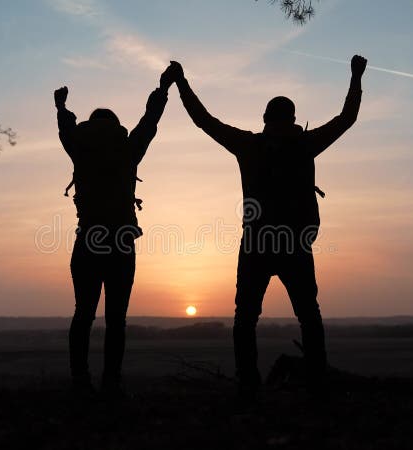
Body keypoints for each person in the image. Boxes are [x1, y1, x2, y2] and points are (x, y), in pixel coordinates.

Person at [167, 55, 367, 400]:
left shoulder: (249, 145)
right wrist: (355, 76)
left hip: (256, 244)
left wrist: (181, 82)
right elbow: (347, 119)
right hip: (295, 245)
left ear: (264, 119)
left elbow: (204, 121)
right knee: (308, 315)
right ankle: (316, 381)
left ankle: (248, 384)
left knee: (245, 319)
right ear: (292, 119)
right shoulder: (306, 144)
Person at [54, 65, 178, 398]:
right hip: (122, 240)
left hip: (89, 237)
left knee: (83, 314)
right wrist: (163, 88)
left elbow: (66, 131)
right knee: (116, 320)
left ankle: (81, 381)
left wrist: (62, 108)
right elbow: (149, 122)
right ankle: (112, 382)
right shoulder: (128, 149)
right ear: (116, 126)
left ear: (90, 125)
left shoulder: (79, 148)